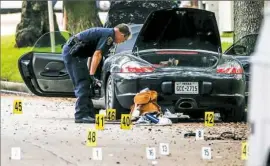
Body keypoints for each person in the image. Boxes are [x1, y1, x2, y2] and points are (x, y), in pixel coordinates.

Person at [62, 24, 132, 123]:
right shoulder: (109, 36)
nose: (121, 42)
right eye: (124, 40)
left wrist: (92, 75)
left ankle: (89, 114)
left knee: (87, 83)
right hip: (73, 53)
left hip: (77, 53)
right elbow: (97, 54)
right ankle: (81, 115)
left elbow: (93, 55)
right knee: (83, 83)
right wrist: (91, 75)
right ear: (122, 34)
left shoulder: (107, 33)